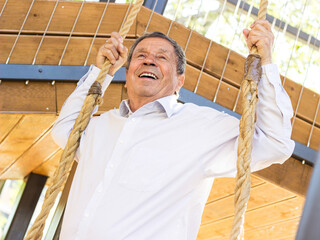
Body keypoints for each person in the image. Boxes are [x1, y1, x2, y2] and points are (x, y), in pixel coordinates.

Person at [52, 20, 294, 240]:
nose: (149, 60)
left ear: (180, 81)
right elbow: (63, 131)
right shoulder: (102, 125)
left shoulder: (201, 127)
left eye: (162, 57)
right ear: (126, 75)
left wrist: (266, 62)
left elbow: (274, 143)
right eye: (141, 56)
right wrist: (101, 73)